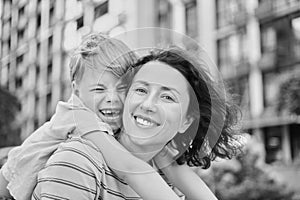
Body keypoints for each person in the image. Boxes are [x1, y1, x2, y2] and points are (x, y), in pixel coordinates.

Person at [31, 47, 243, 199]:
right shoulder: (79, 162)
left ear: (187, 121)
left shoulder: (168, 178)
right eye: (141, 90)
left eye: (167, 97)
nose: (148, 105)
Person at [0, 33, 181, 200]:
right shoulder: (80, 117)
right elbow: (128, 167)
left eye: (122, 88)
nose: (112, 98)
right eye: (98, 89)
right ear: (75, 90)